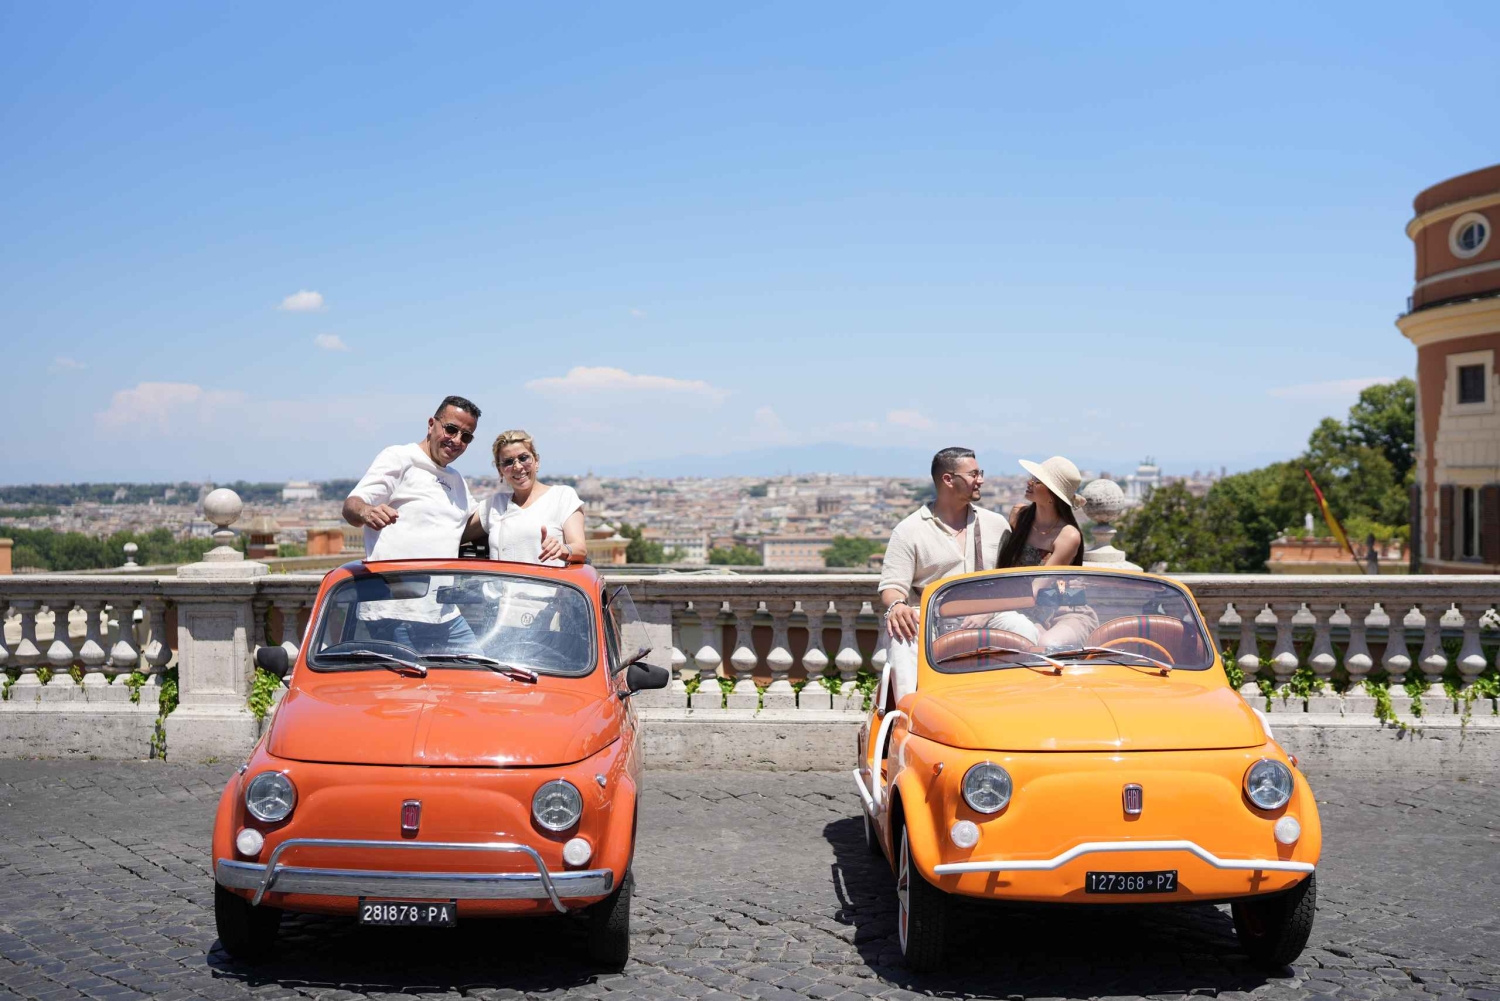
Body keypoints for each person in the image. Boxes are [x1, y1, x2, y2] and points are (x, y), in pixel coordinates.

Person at [342, 395, 481, 649]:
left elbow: (476, 522)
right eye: (451, 429)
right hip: (395, 613)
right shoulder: (400, 457)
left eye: (466, 437)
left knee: (477, 669)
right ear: (431, 424)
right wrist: (367, 512)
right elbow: (351, 506)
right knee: (409, 677)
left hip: (442, 613)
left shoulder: (456, 480)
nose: (457, 440)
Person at [877, 447, 1011, 701]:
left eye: (980, 473)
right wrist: (897, 605)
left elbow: (1012, 578)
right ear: (948, 479)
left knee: (1023, 627)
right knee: (902, 637)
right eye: (973, 474)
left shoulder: (996, 524)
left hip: (989, 614)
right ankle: (909, 710)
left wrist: (988, 610)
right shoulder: (909, 530)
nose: (981, 480)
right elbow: (892, 586)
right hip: (931, 620)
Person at [988, 455, 1096, 649]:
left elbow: (1037, 586)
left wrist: (989, 610)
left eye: (1037, 481)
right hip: (1022, 608)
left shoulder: (1068, 535)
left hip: (1064, 610)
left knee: (1046, 644)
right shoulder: (1019, 516)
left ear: (1052, 495)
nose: (1029, 482)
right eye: (1032, 477)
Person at [464, 429, 588, 566]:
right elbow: (455, 533)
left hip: (544, 580)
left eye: (523, 458)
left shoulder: (562, 496)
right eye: (508, 462)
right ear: (500, 471)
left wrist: (562, 549)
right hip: (500, 580)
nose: (517, 467)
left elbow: (580, 549)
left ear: (536, 461)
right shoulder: (494, 504)